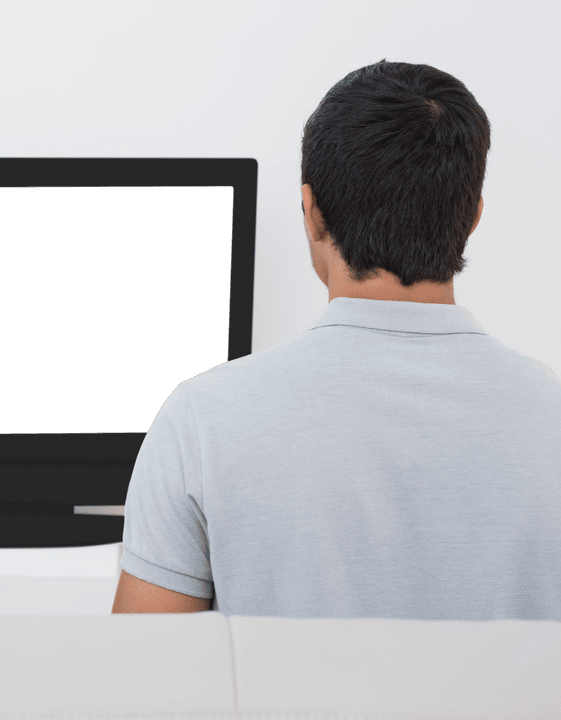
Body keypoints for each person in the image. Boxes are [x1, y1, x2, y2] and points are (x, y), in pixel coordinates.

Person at [112, 59, 561, 620]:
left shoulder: (201, 421)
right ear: (471, 216)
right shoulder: (552, 418)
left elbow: (146, 684)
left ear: (311, 213)